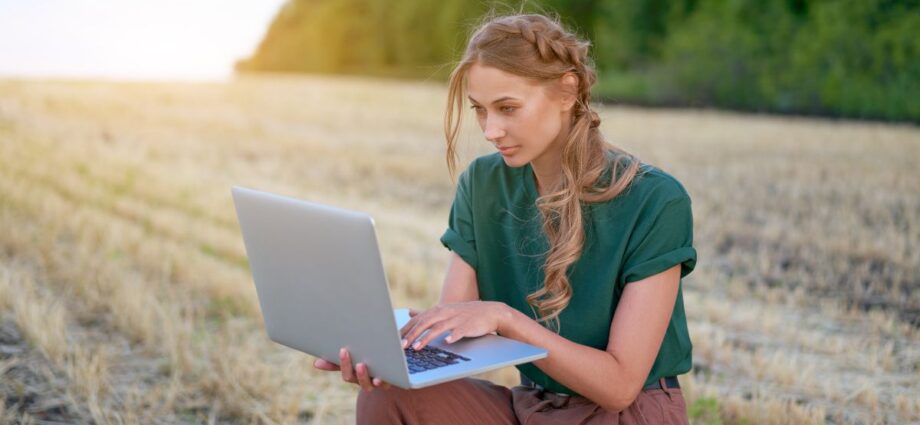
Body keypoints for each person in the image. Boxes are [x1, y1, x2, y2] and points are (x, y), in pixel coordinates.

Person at [313, 12, 696, 425]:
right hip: (532, 407)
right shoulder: (482, 183)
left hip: (627, 414)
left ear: (567, 91)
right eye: (480, 110)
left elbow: (618, 386)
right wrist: (385, 356)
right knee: (390, 397)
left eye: (507, 108)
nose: (491, 130)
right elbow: (453, 329)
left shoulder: (655, 199)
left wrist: (506, 319)